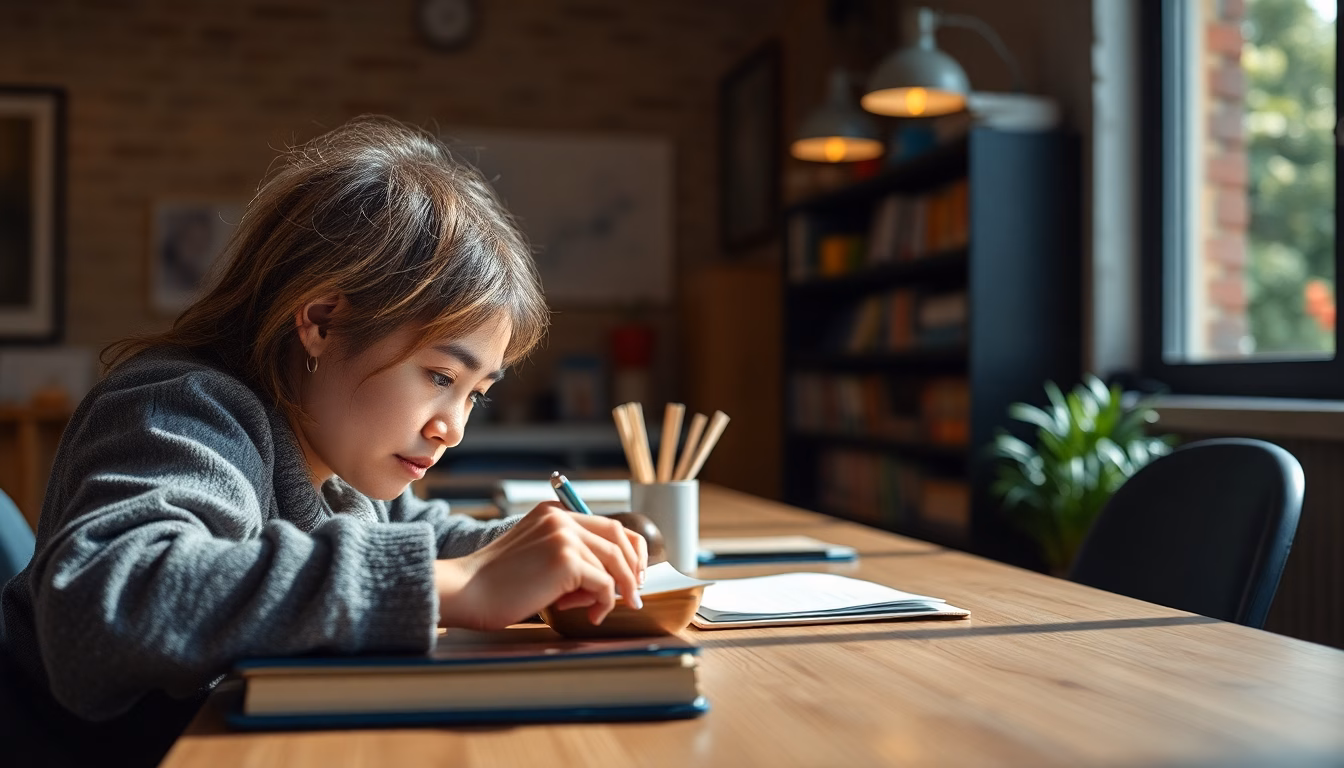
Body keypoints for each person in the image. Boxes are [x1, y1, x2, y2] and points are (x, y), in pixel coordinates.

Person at [0, 116, 648, 767]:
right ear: (321, 322)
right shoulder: (179, 407)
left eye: (474, 393)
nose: (452, 427)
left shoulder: (336, 461)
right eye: (440, 376)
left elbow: (420, 535)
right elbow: (107, 597)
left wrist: (543, 550)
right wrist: (456, 583)